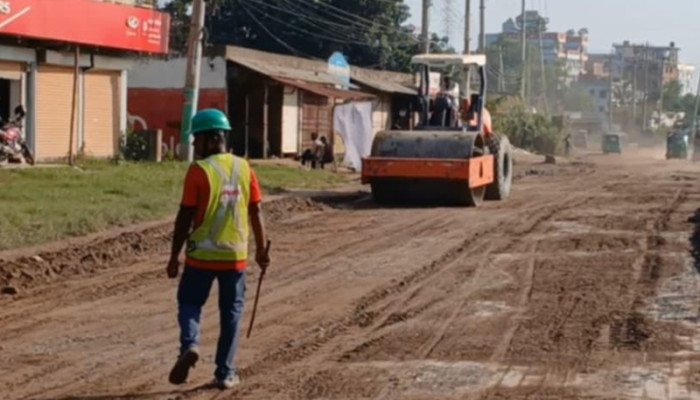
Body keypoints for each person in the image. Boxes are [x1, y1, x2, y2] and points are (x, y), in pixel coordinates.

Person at [166, 109, 270, 390]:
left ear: (210, 139)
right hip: (235, 258)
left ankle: (190, 344)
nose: (194, 146)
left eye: (196, 140)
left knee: (189, 304)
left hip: (201, 256)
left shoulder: (199, 171)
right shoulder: (245, 168)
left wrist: (174, 256)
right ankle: (224, 372)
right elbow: (256, 210)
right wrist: (261, 249)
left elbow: (185, 216)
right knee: (231, 314)